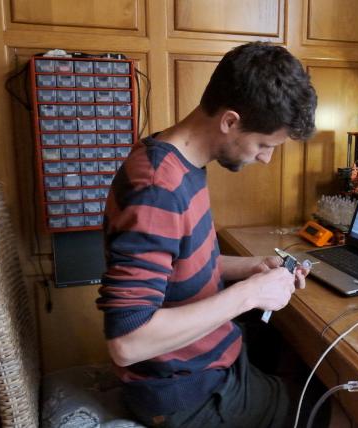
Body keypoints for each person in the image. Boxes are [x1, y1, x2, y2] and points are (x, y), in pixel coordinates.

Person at [97, 42, 318, 428]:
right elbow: (127, 342)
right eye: (264, 145)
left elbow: (177, 266)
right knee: (333, 408)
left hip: (210, 367)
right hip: (189, 394)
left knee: (300, 369)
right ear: (230, 122)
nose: (266, 158)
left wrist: (252, 269)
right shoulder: (157, 189)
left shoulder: (177, 161)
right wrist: (249, 295)